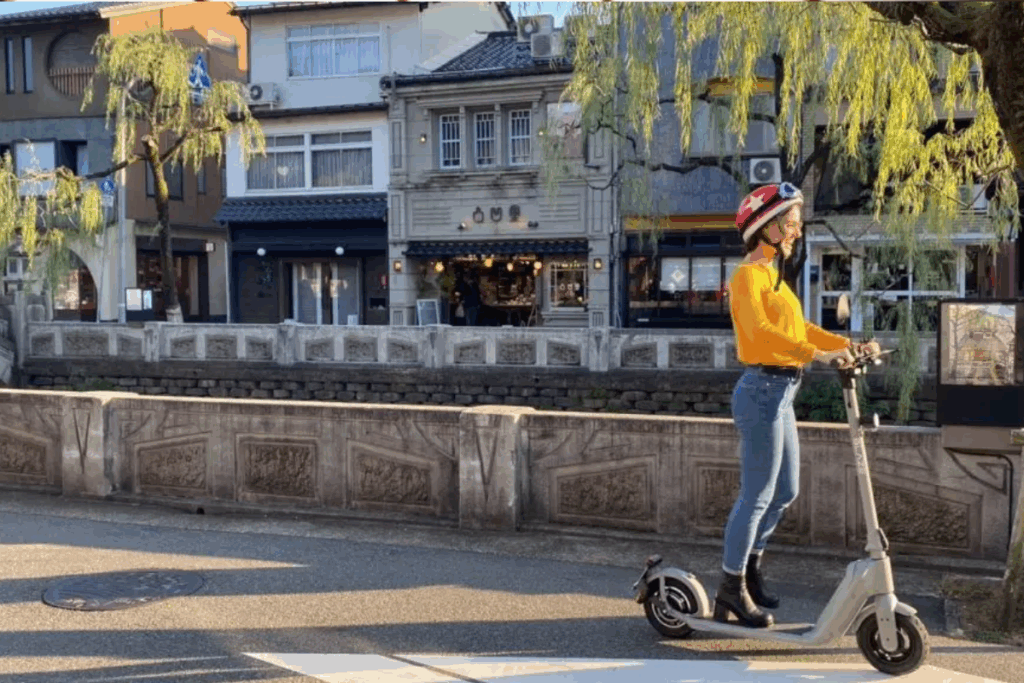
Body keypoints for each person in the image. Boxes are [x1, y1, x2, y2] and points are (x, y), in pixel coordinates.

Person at [717, 181, 860, 629]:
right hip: (761, 390)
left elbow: (802, 327)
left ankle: (750, 568)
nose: (796, 231)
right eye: (791, 223)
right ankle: (730, 586)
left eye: (796, 223)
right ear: (766, 227)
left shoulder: (777, 279)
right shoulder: (747, 277)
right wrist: (813, 353)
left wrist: (846, 344)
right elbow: (761, 334)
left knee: (785, 491)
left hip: (783, 393)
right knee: (756, 495)